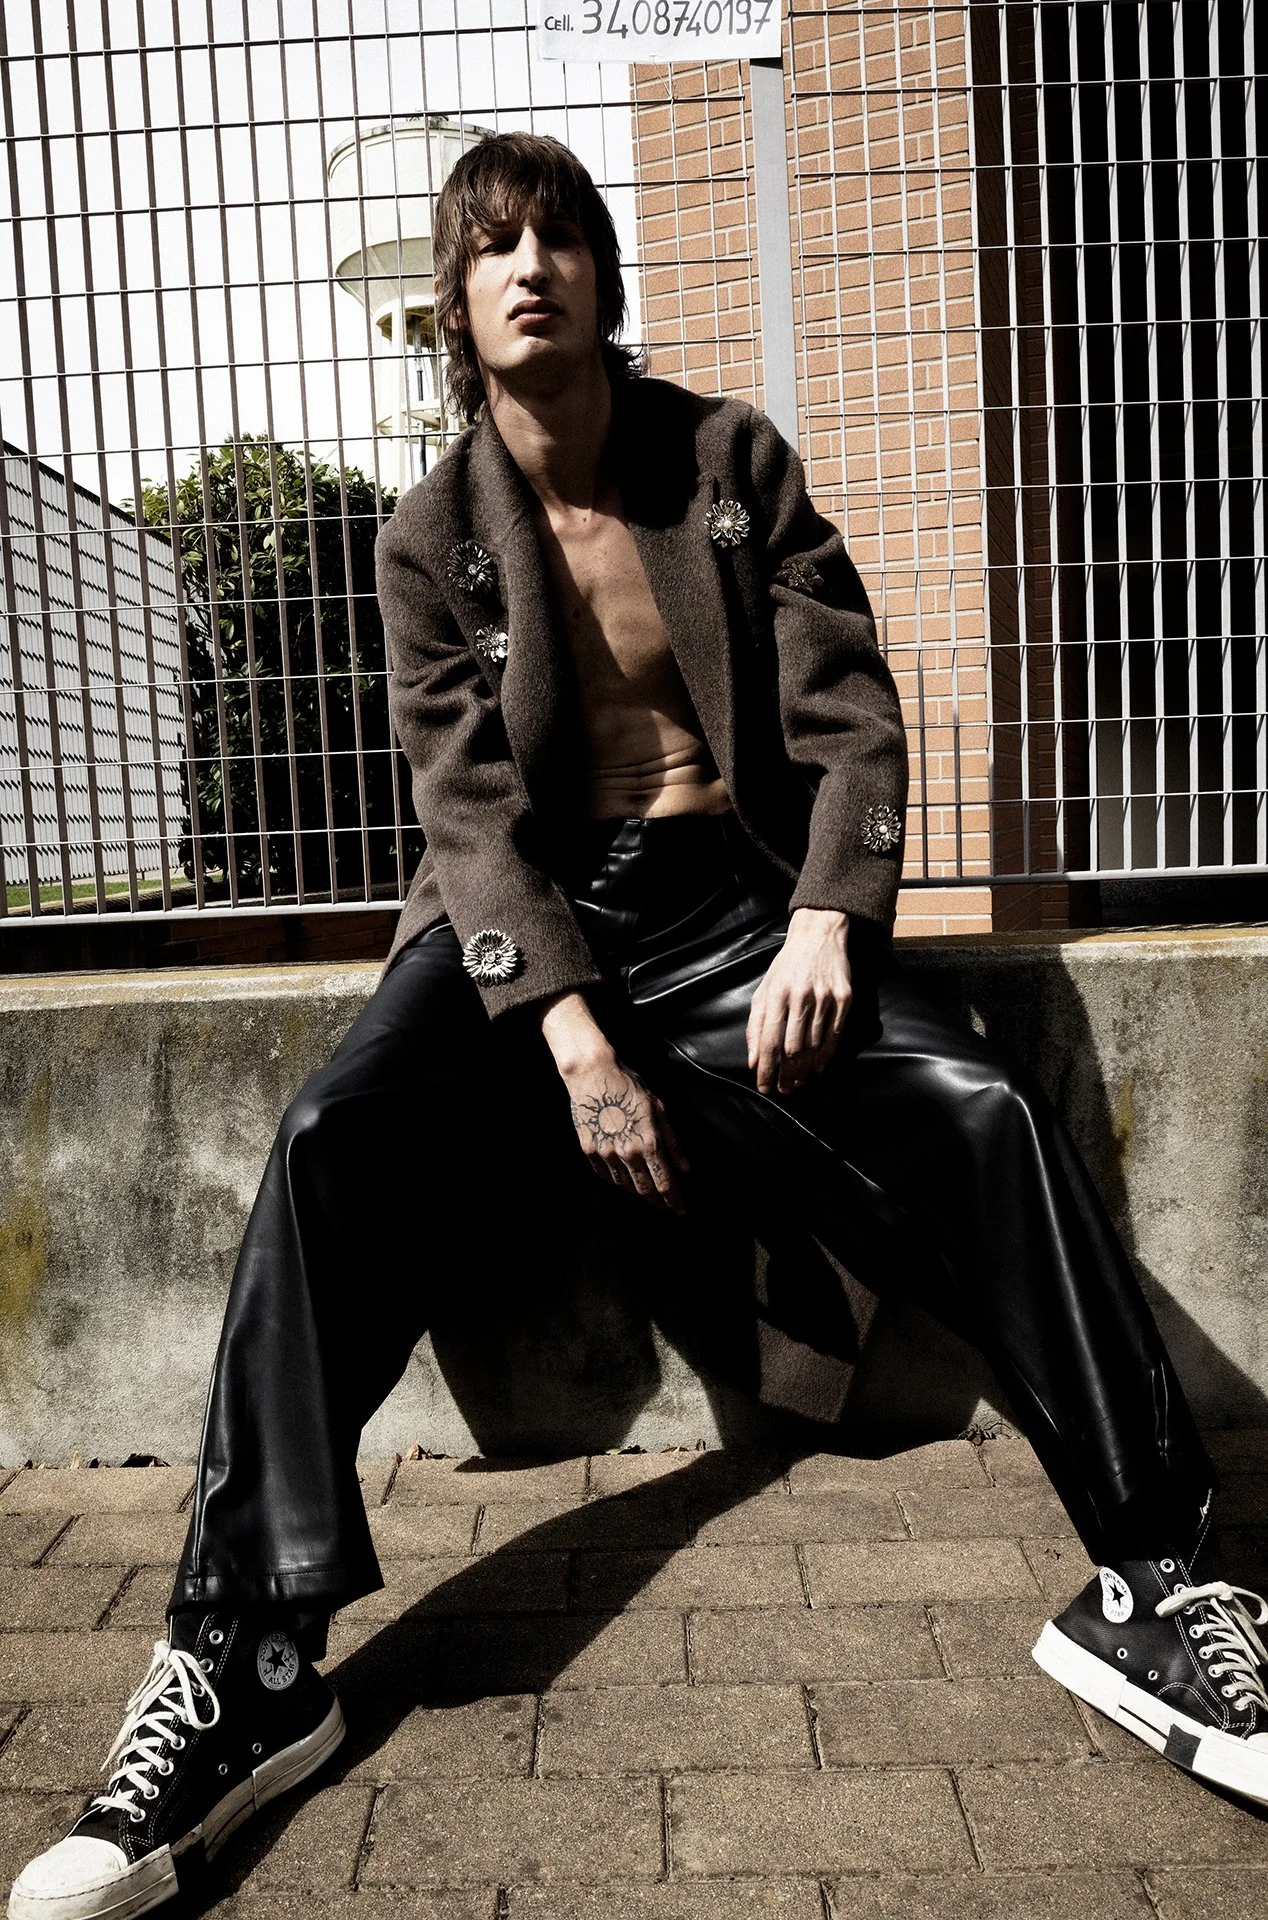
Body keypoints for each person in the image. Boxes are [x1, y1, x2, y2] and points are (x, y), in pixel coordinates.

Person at [10, 128, 1268, 1920]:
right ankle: (245, 1661)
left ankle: (1152, 1578)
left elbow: (851, 707)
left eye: (559, 237)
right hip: (523, 925)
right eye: (492, 245)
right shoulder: (429, 536)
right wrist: (574, 1036)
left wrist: (834, 912)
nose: (530, 266)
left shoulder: (726, 462)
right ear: (453, 302)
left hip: (734, 901)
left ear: (602, 272)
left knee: (980, 1113)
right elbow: (466, 811)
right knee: (327, 1141)